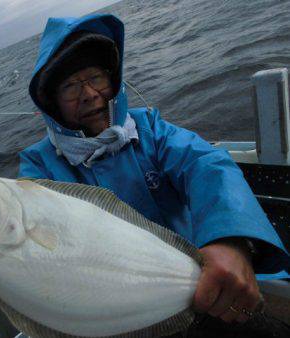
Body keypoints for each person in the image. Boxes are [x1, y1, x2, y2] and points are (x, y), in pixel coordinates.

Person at [18, 13, 289, 331]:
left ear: (112, 81)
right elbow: (32, 228)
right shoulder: (38, 165)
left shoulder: (148, 127)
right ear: (52, 103)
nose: (89, 93)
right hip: (115, 313)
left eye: (96, 78)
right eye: (70, 87)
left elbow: (204, 164)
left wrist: (228, 239)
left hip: (198, 280)